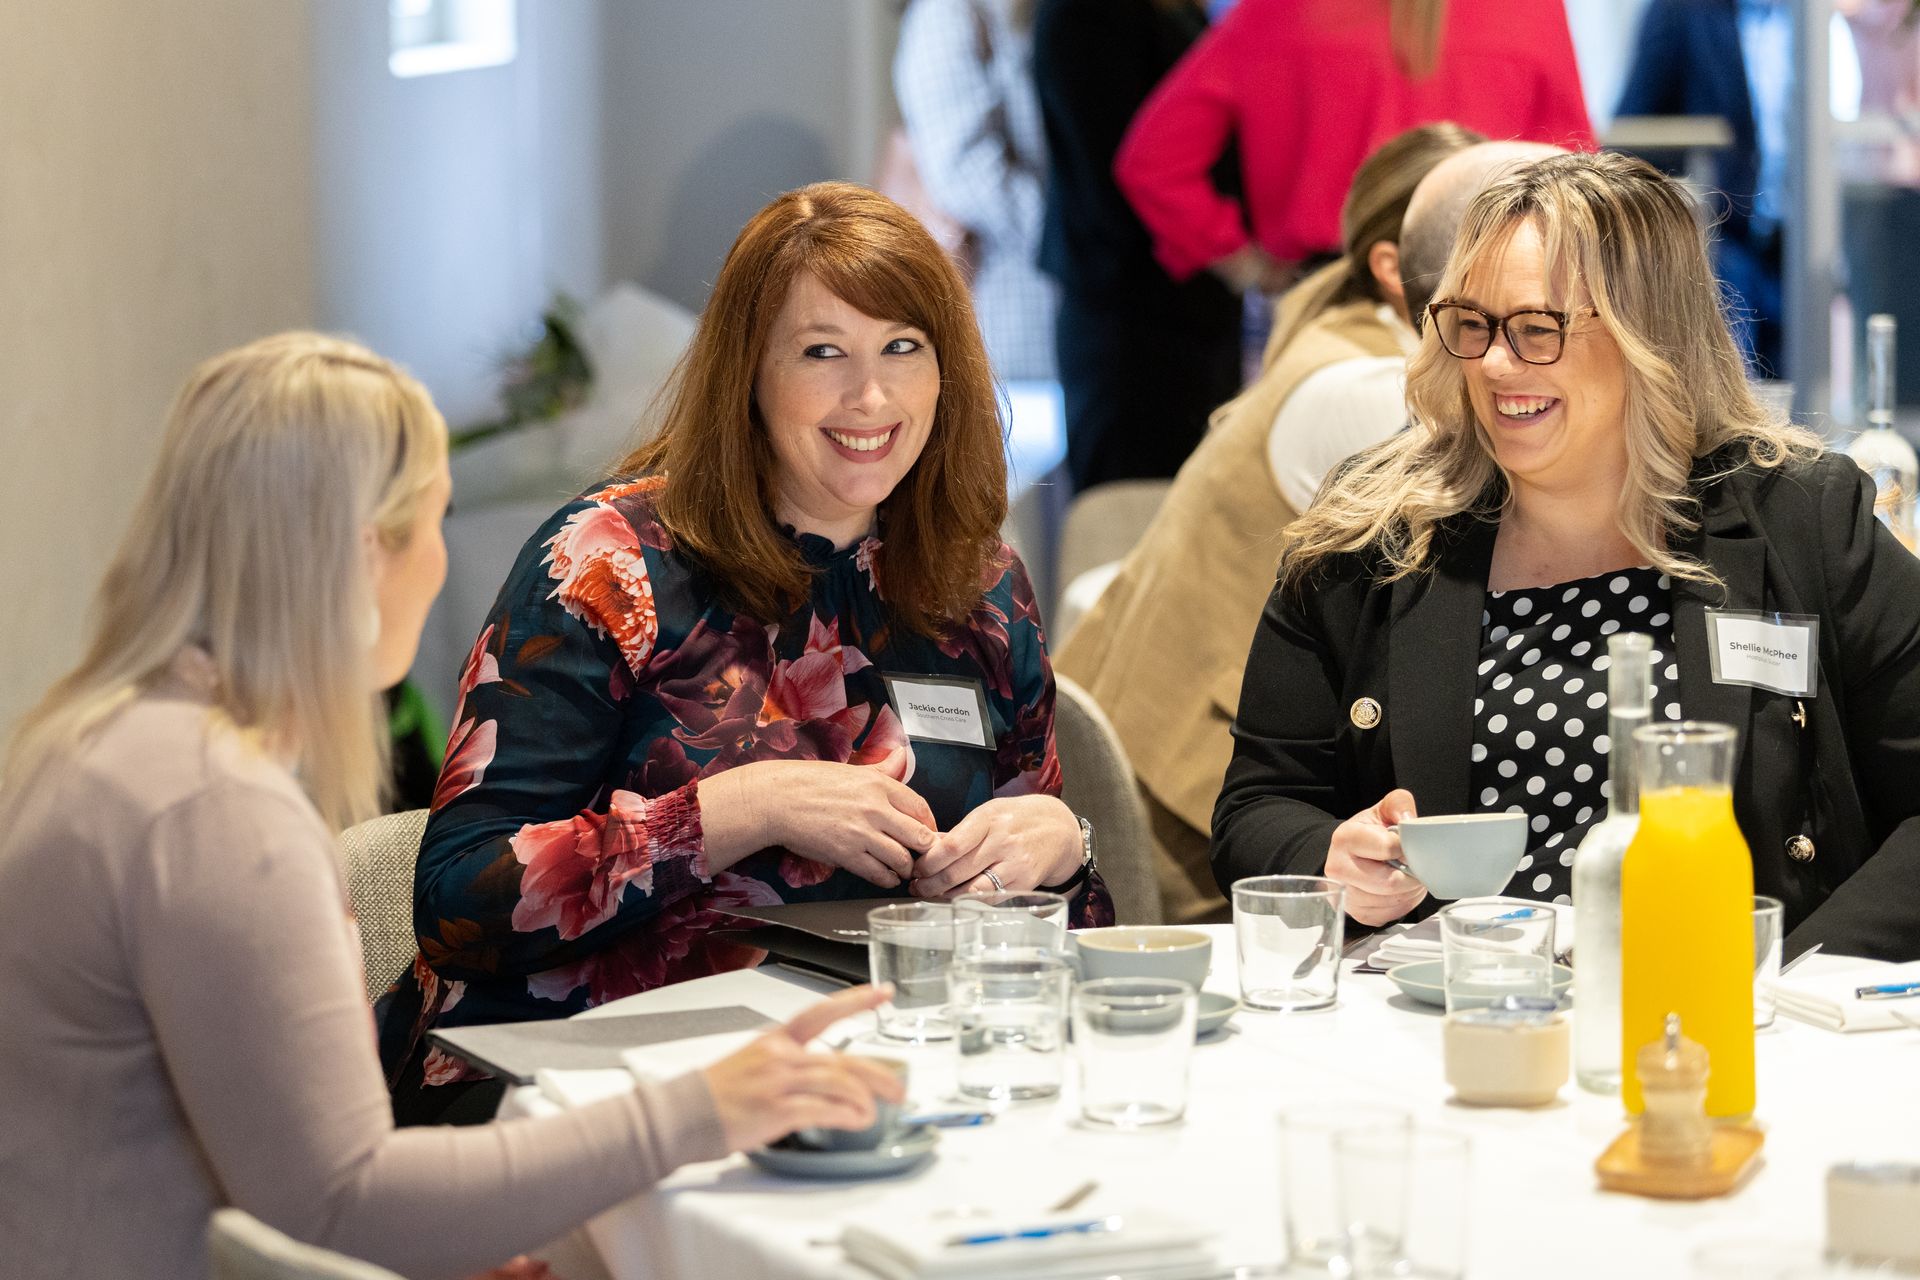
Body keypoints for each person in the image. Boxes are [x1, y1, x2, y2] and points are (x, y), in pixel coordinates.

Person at [0, 334, 904, 1280]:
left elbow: (282, 1174)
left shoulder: (99, 745)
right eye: (435, 522)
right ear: (363, 555)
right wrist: (701, 1111)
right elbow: (344, 1205)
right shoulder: (216, 813)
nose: (439, 564)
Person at [383, 182, 1115, 1118]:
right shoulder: (613, 565)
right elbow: (459, 904)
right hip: (578, 1101)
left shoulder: (978, 586)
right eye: (823, 353)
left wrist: (1061, 850)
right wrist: (734, 810)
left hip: (874, 1078)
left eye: (904, 348)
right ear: (750, 375)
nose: (871, 395)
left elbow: (1075, 952)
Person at [1213, 151, 1920, 961]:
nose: (1493, 363)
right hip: (1445, 1023)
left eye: (1536, 329)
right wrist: (1332, 857)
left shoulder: (1798, 516)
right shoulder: (1376, 533)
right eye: (1472, 324)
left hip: (1732, 1023)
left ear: (1648, 335)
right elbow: (1258, 808)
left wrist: (1794, 979)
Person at [1054, 123, 1479, 924]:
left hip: (1193, 752)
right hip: (1184, 795)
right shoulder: (1368, 387)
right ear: (1395, 268)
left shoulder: (1343, 335)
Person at [1113, 0, 1594, 294]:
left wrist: (1245, 266)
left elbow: (1152, 161)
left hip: (1325, 295)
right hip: (1484, 290)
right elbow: (1574, 170)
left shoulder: (1274, 11)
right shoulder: (1530, 7)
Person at [1032, 0, 1242, 489]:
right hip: (1128, 315)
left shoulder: (1171, 11)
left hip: (1191, 304)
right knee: (1125, 519)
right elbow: (1112, 173)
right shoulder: (1087, 15)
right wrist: (1229, 248)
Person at [893, 0, 1058, 381]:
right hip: (1012, 312)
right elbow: (965, 175)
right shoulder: (948, 15)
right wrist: (1079, 239)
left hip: (1055, 305)